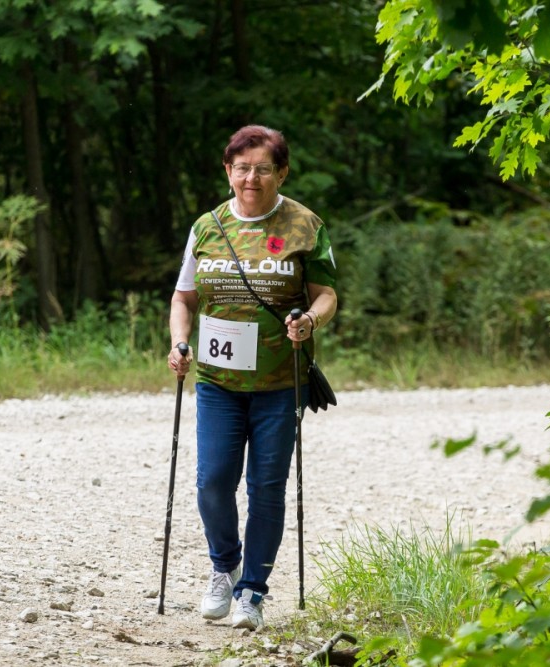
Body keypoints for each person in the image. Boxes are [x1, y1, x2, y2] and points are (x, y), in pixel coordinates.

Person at [167, 125, 338, 630]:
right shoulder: (207, 227)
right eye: (242, 168)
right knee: (213, 481)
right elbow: (183, 298)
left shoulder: (305, 224)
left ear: (281, 172)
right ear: (228, 171)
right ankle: (225, 567)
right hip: (217, 380)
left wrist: (310, 321)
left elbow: (326, 295)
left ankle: (253, 592)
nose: (251, 178)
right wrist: (179, 342)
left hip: (280, 382)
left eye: (263, 169)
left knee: (266, 486)